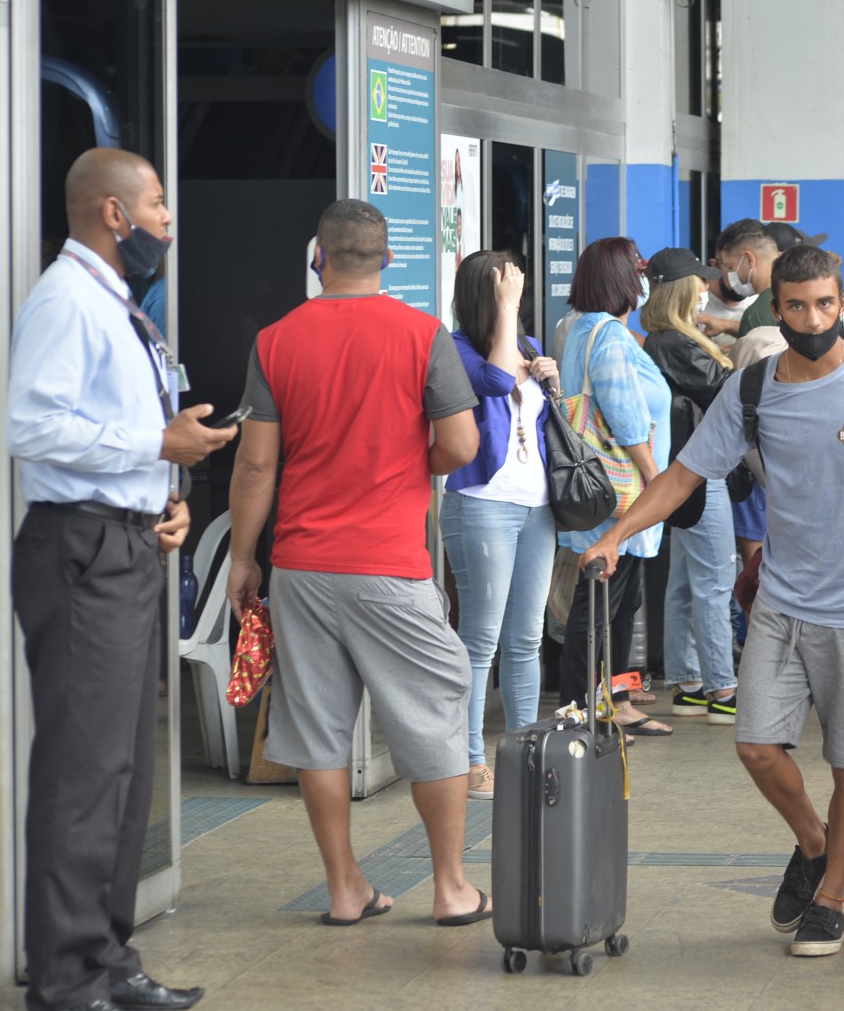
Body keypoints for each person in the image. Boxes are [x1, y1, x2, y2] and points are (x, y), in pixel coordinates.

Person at [579, 245, 844, 959]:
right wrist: (617, 533)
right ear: (777, 309)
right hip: (785, 600)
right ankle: (815, 842)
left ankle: (830, 898)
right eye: (797, 306)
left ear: (843, 306)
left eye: (827, 305)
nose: (814, 318)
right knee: (757, 744)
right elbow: (684, 474)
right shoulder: (753, 388)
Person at [226, 199, 490, 931]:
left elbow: (256, 461)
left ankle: (345, 889)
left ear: (319, 258)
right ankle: (450, 887)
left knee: (317, 727)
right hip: (389, 565)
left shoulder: (276, 340)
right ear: (389, 260)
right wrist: (414, 462)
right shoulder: (421, 334)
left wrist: (245, 558)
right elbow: (462, 446)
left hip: (303, 566)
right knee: (435, 714)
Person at [8, 148, 232, 1011]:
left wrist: (166, 497)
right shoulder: (66, 299)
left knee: (129, 766)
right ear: (113, 212)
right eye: (159, 206)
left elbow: (122, 427)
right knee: (83, 767)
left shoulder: (119, 305)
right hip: (81, 552)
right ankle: (66, 979)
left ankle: (107, 959)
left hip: (130, 542)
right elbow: (34, 425)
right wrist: (153, 451)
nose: (169, 222)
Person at [437, 251, 560, 799]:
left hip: (537, 506)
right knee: (481, 638)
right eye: (507, 289)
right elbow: (490, 380)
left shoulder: (525, 348)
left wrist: (550, 378)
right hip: (482, 503)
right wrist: (507, 312)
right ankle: (468, 760)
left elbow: (538, 416)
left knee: (526, 639)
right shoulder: (455, 350)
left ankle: (524, 750)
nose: (517, 296)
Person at [554, 237, 674, 736]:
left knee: (618, 604)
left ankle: (615, 701)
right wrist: (657, 482)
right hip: (622, 493)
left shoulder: (582, 328)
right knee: (602, 604)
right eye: (639, 270)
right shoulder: (608, 336)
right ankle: (583, 708)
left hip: (609, 493)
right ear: (622, 280)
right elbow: (626, 416)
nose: (645, 280)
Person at [641, 247, 739, 722]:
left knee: (683, 583)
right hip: (702, 475)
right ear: (681, 290)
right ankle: (722, 688)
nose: (706, 291)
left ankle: (689, 683)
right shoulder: (677, 345)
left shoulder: (665, 340)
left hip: (684, 475)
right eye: (699, 284)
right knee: (715, 582)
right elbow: (726, 394)